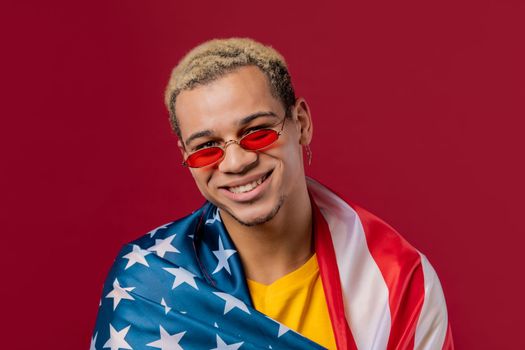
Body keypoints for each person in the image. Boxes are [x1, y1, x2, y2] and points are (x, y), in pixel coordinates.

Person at [91, 38, 453, 350]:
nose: (235, 162)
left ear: (302, 124)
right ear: (186, 157)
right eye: (207, 148)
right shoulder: (147, 286)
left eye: (258, 132)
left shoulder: (398, 282)